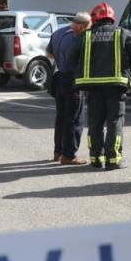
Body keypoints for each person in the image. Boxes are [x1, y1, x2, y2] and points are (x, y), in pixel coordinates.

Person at [71, 3, 131, 170]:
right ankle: (113, 160)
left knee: (95, 123)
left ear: (94, 18)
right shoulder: (122, 33)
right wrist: (130, 69)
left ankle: (96, 158)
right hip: (116, 86)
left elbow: (71, 56)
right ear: (112, 18)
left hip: (93, 87)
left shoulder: (86, 36)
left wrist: (81, 71)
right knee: (114, 121)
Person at [47, 12, 91, 165]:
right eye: (88, 27)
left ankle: (57, 152)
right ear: (83, 25)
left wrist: (61, 56)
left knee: (61, 117)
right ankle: (69, 155)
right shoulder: (79, 37)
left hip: (59, 77)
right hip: (73, 79)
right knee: (74, 119)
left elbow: (49, 54)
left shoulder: (58, 32)